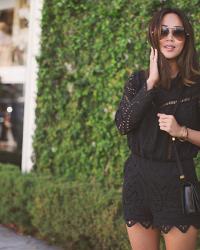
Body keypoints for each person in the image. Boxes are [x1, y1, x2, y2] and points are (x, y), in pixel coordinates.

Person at [115, 8, 200, 250]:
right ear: (154, 35)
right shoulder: (138, 81)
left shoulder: (196, 85)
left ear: (187, 39)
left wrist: (182, 131)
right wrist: (150, 84)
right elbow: (123, 124)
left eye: (177, 32)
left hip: (178, 181)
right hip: (138, 181)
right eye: (163, 31)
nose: (170, 37)